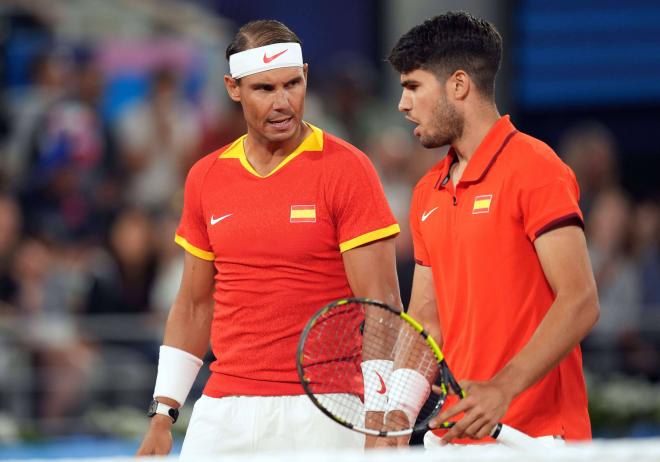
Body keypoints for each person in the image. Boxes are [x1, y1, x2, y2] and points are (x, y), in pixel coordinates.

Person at [136, 19, 401, 457]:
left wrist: (380, 415)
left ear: (306, 77)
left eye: (292, 84)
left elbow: (381, 304)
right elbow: (194, 304)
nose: (283, 103)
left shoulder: (348, 169)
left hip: (327, 408)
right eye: (264, 89)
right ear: (232, 88)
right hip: (223, 408)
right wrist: (162, 415)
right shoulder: (205, 176)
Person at [384, 12, 599, 449]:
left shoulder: (536, 169)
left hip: (537, 439)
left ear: (458, 85)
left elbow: (580, 301)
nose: (402, 105)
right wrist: (396, 419)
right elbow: (426, 321)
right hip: (456, 439)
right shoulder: (427, 191)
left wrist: (503, 387)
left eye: (413, 87)